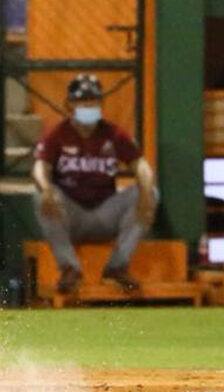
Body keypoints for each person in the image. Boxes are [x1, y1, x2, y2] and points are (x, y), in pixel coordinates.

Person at [31, 74, 158, 294]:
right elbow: (40, 166)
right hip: (71, 214)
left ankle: (118, 265)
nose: (88, 106)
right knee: (41, 196)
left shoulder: (113, 134)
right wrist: (45, 187)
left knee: (150, 193)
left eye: (93, 101)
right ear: (69, 105)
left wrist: (146, 187)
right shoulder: (58, 134)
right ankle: (69, 268)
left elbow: (141, 165)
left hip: (105, 211)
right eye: (82, 101)